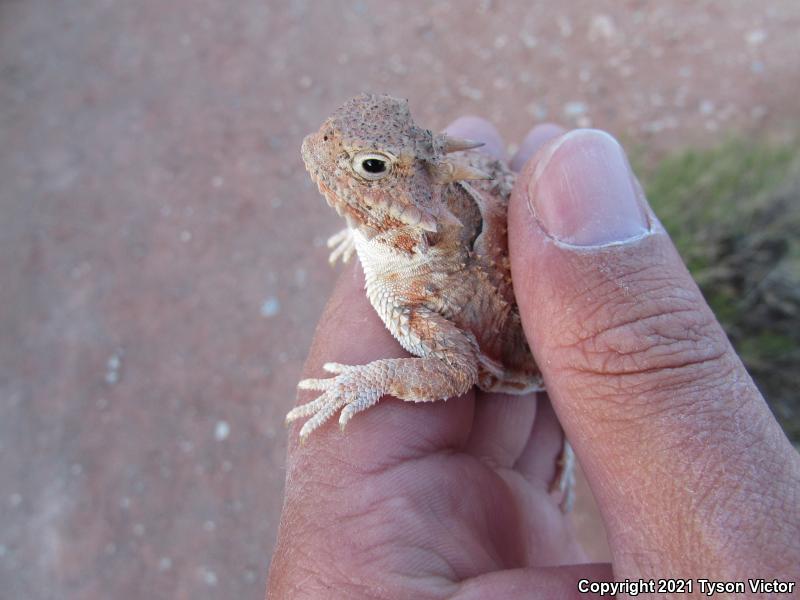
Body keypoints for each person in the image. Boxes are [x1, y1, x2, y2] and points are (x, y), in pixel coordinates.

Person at [267, 120, 800, 599]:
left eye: (371, 167)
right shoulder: (418, 222)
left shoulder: (427, 282)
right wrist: (365, 221)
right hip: (436, 226)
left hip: (542, 351)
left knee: (563, 396)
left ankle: (568, 444)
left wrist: (370, 381)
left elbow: (453, 370)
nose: (325, 146)